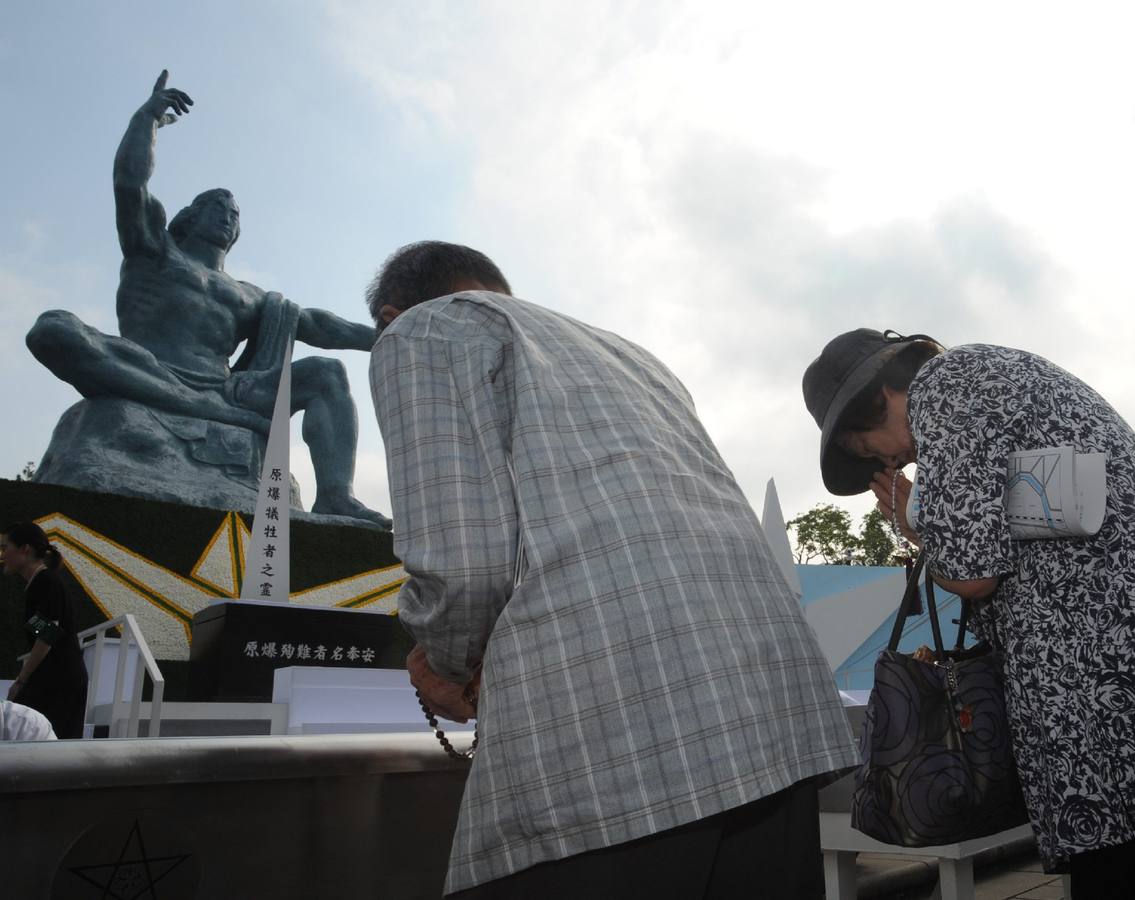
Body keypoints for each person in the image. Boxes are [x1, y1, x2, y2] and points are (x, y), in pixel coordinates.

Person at [368, 241, 857, 898]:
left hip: (616, 741)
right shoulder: (634, 358)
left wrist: (449, 665)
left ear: (391, 315)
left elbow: (462, 567)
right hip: (770, 715)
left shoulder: (419, 333)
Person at [802, 329, 1135, 898]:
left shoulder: (944, 393)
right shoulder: (983, 373)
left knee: (1112, 857)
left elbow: (972, 574)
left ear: (879, 398)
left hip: (1091, 667)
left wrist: (915, 529)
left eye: (868, 448)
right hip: (1105, 646)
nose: (890, 460)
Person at [25, 70, 389, 527]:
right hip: (150, 366)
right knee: (53, 329)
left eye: (235, 214)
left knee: (326, 374)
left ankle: (336, 496)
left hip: (227, 391)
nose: (229, 217)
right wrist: (147, 119)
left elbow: (318, 324)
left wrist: (386, 335)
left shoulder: (249, 296)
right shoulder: (153, 252)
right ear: (190, 216)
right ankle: (189, 404)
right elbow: (128, 185)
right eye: (218, 208)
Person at [2, 522, 89, 739]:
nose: (3, 554)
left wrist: (22, 680)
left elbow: (48, 634)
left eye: (6, 547)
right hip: (55, 679)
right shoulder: (40, 583)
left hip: (58, 682)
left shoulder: (45, 582)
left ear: (25, 549)